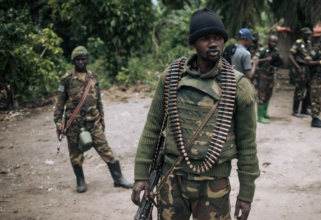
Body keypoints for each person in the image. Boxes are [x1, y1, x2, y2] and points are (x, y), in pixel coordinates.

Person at [131, 8, 260, 220]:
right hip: (171, 178)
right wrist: (141, 174)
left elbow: (247, 144)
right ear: (193, 43)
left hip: (213, 183)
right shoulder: (171, 77)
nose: (213, 43)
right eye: (205, 38)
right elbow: (152, 128)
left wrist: (246, 193)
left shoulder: (238, 86)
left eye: (218, 38)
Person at [53, 46, 133, 193]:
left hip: (93, 121)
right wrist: (59, 123)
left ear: (87, 59)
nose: (81, 62)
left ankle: (118, 179)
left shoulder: (93, 77)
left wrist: (102, 119)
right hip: (74, 123)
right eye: (78, 59)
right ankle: (80, 181)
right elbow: (60, 103)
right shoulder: (66, 79)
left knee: (105, 149)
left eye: (83, 59)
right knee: (75, 154)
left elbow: (99, 100)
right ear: (74, 61)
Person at [254, 35, 282, 124]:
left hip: (271, 75)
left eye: (275, 42)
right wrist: (266, 59)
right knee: (261, 95)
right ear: (268, 41)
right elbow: (255, 59)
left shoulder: (276, 51)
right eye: (272, 41)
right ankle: (260, 116)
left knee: (269, 94)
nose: (273, 44)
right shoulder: (262, 50)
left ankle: (265, 113)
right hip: (262, 75)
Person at [289, 27, 313, 118]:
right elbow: (290, 56)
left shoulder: (309, 43)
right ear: (302, 34)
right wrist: (298, 67)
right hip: (301, 68)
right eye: (307, 34)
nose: (309, 35)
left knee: (310, 89)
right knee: (299, 90)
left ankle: (304, 109)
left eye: (309, 34)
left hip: (309, 69)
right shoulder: (298, 43)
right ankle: (295, 111)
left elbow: (311, 54)